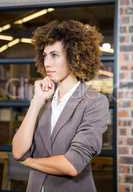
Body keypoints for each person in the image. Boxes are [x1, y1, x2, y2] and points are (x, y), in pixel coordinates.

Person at [12, 20, 109, 192]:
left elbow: (72, 164)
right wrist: (36, 102)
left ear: (75, 56)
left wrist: (29, 162)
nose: (47, 63)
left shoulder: (94, 102)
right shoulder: (44, 99)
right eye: (45, 55)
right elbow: (18, 151)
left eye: (55, 55)